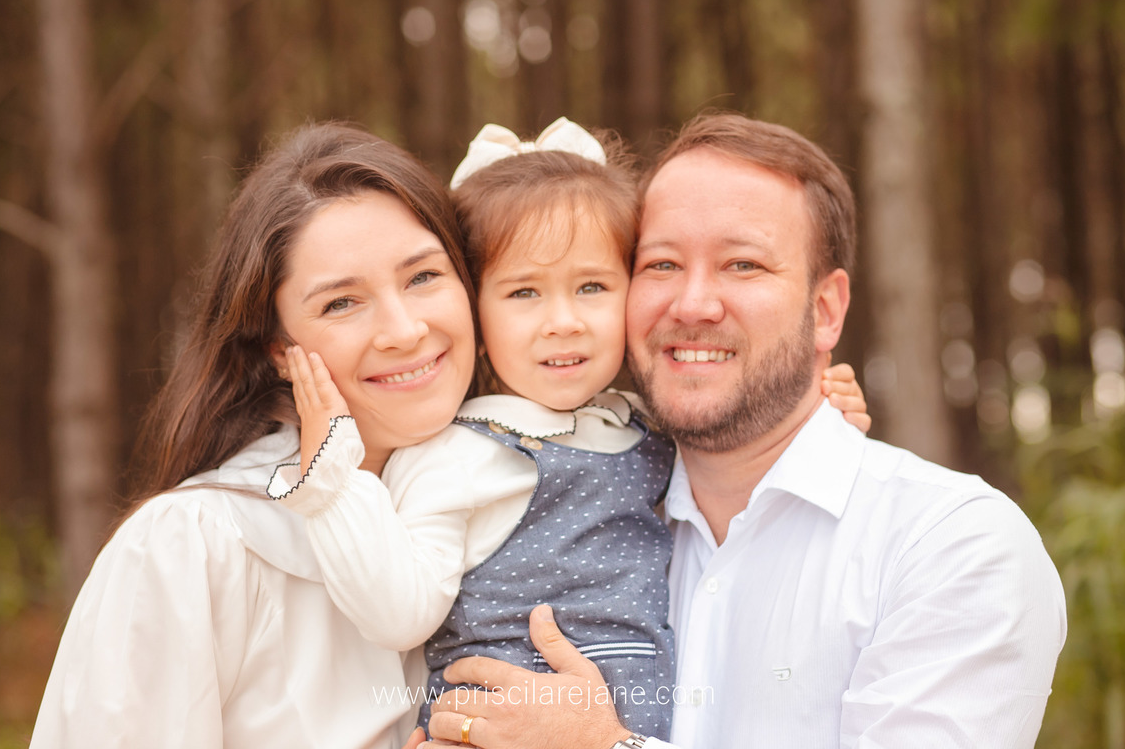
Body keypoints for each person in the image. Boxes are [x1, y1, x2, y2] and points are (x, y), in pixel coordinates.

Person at [423, 112, 1067, 749]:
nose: (693, 304)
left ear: (825, 311)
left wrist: (603, 747)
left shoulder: (952, 544)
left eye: (743, 265)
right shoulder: (577, 508)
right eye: (662, 265)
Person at [267, 117, 872, 740]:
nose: (564, 322)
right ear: (476, 313)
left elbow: (747, 468)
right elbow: (399, 615)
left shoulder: (645, 431)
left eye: (591, 286)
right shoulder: (460, 453)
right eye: (524, 293)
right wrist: (332, 485)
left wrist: (817, 416)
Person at [30, 122, 479, 748]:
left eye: (423, 277)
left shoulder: (517, 504)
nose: (405, 331)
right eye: (341, 303)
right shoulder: (190, 547)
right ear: (278, 351)